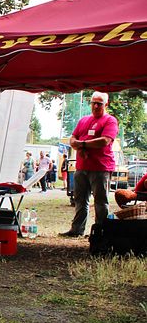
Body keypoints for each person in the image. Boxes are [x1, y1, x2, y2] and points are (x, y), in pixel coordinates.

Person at [59, 91, 118, 237]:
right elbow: (72, 139)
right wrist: (79, 145)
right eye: (94, 103)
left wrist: (83, 145)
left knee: (100, 201)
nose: (96, 106)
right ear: (90, 103)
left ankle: (101, 232)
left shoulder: (110, 120)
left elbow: (104, 141)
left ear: (106, 104)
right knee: (79, 200)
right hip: (82, 167)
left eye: (100, 103)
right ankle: (77, 229)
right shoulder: (83, 120)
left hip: (101, 167)